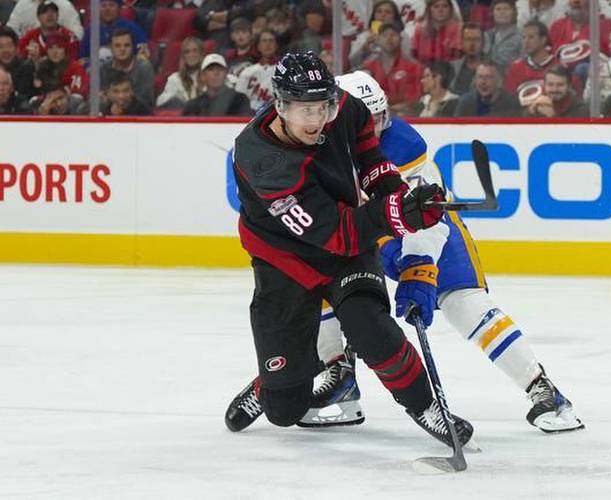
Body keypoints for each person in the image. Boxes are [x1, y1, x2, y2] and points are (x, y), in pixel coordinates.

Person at [225, 68, 584, 434]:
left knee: (463, 301)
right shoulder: (315, 137)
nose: (377, 128)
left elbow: (422, 215)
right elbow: (329, 225)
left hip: (423, 229)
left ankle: (541, 387)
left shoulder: (404, 145)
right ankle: (334, 374)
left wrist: (419, 267)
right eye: (371, 117)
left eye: (382, 116)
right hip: (359, 227)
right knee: (321, 293)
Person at [225, 51, 475, 450]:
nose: (316, 119)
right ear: (280, 104)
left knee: (370, 326)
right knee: (285, 409)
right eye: (304, 110)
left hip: (344, 245)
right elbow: (337, 233)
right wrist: (398, 214)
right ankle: (273, 380)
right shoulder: (261, 159)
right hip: (284, 258)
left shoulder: (346, 108)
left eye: (322, 106)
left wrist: (400, 196)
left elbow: (372, 161)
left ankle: (426, 406)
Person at [362, 22, 423, 116]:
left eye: (393, 35)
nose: (389, 39)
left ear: (401, 39)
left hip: (406, 118)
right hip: (375, 117)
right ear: (377, 39)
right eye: (385, 35)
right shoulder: (368, 66)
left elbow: (414, 101)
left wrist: (389, 109)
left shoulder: (413, 66)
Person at [505, 20, 558, 108]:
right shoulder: (515, 68)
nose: (526, 42)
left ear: (543, 39)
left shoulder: (558, 66)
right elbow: (510, 100)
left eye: (531, 37)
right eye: (523, 37)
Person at [182, 53, 250, 116]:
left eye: (220, 69)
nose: (216, 73)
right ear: (202, 76)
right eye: (211, 69)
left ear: (226, 74)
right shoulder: (193, 106)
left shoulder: (240, 100)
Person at [79, 0, 149, 61]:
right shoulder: (91, 31)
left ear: (119, 9)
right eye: (103, 5)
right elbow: (82, 58)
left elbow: (143, 56)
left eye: (111, 5)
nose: (107, 9)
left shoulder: (133, 28)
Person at [101, 28, 155, 106]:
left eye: (127, 45)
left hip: (137, 114)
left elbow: (146, 100)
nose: (122, 49)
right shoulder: (103, 68)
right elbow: (98, 97)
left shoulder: (144, 68)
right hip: (108, 113)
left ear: (132, 47)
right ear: (110, 48)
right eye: (117, 46)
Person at [454, 59, 521, 117]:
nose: (483, 82)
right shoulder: (466, 103)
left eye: (489, 77)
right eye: (480, 77)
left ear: (499, 82)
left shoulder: (512, 104)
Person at [234, 28, 279, 115]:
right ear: (258, 46)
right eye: (264, 41)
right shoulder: (247, 72)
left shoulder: (283, 72)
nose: (268, 44)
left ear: (276, 45)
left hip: (275, 115)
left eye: (271, 41)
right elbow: (238, 99)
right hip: (249, 117)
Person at [156, 37, 205, 110]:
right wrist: (175, 97)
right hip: (183, 117)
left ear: (201, 54)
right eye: (187, 52)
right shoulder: (174, 78)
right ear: (183, 56)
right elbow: (160, 102)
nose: (191, 55)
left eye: (195, 51)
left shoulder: (210, 76)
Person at [411, 0, 462, 64]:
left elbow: (459, 57)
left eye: (445, 6)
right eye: (436, 6)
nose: (440, 10)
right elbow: (414, 56)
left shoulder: (458, 29)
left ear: (450, 9)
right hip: (424, 70)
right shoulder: (419, 29)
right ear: (429, 9)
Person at [6, 0, 83, 39]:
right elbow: (10, 32)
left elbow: (78, 33)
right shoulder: (21, 5)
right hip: (28, 58)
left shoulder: (65, 5)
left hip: (59, 57)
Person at [483, 0, 522, 71]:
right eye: (498, 9)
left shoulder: (522, 35)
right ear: (492, 13)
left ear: (514, 12)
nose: (502, 12)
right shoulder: (486, 35)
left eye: (506, 9)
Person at [0, 27, 35, 98]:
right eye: (1, 47)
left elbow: (25, 97)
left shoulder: (26, 68)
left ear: (16, 49)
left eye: (9, 46)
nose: (5, 50)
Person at [450, 22, 483, 95]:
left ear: (483, 42)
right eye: (468, 39)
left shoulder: (493, 68)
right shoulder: (452, 67)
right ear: (461, 42)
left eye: (476, 39)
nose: (472, 44)